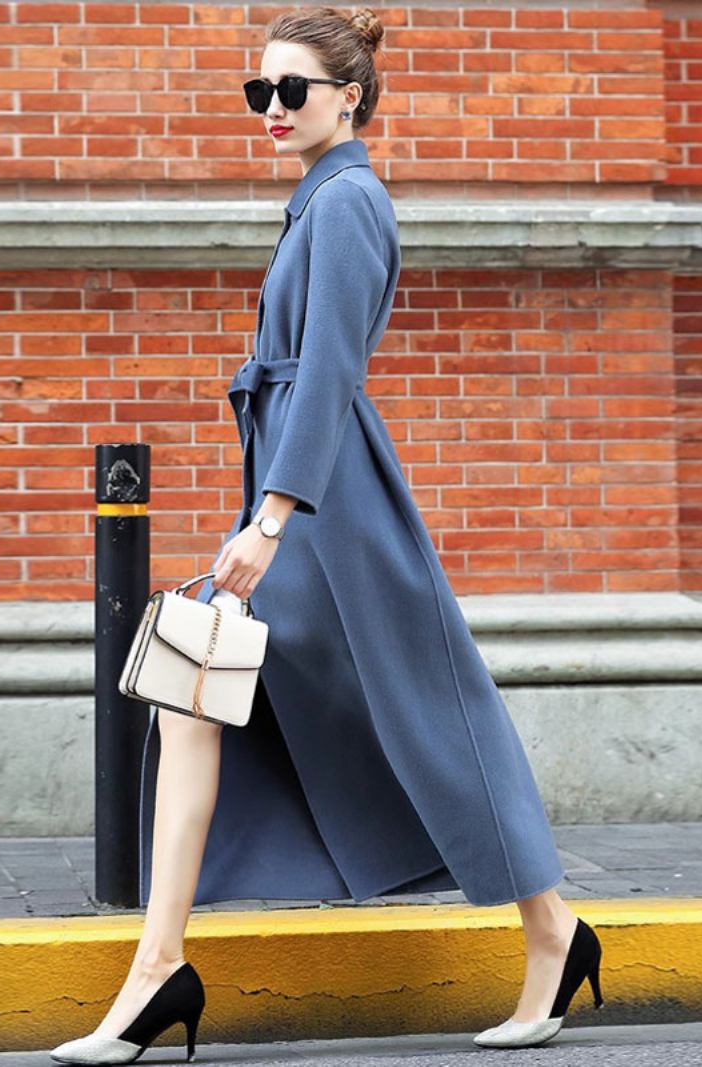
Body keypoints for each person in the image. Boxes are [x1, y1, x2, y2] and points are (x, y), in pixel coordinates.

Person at [51, 7, 605, 1064]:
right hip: (299, 505)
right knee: (192, 694)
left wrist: (269, 518)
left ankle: (550, 930)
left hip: (328, 517)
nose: (270, 108)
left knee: (434, 722)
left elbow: (329, 378)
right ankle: (157, 966)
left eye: (290, 89)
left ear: (347, 96)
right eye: (257, 91)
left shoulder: (348, 202)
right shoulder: (317, 200)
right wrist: (266, 510)